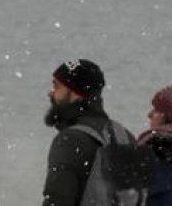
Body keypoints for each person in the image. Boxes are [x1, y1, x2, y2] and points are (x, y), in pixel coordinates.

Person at [42, 58, 137, 206]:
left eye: (57, 86)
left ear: (76, 93)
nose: (51, 93)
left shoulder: (70, 140)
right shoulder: (126, 136)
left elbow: (58, 199)